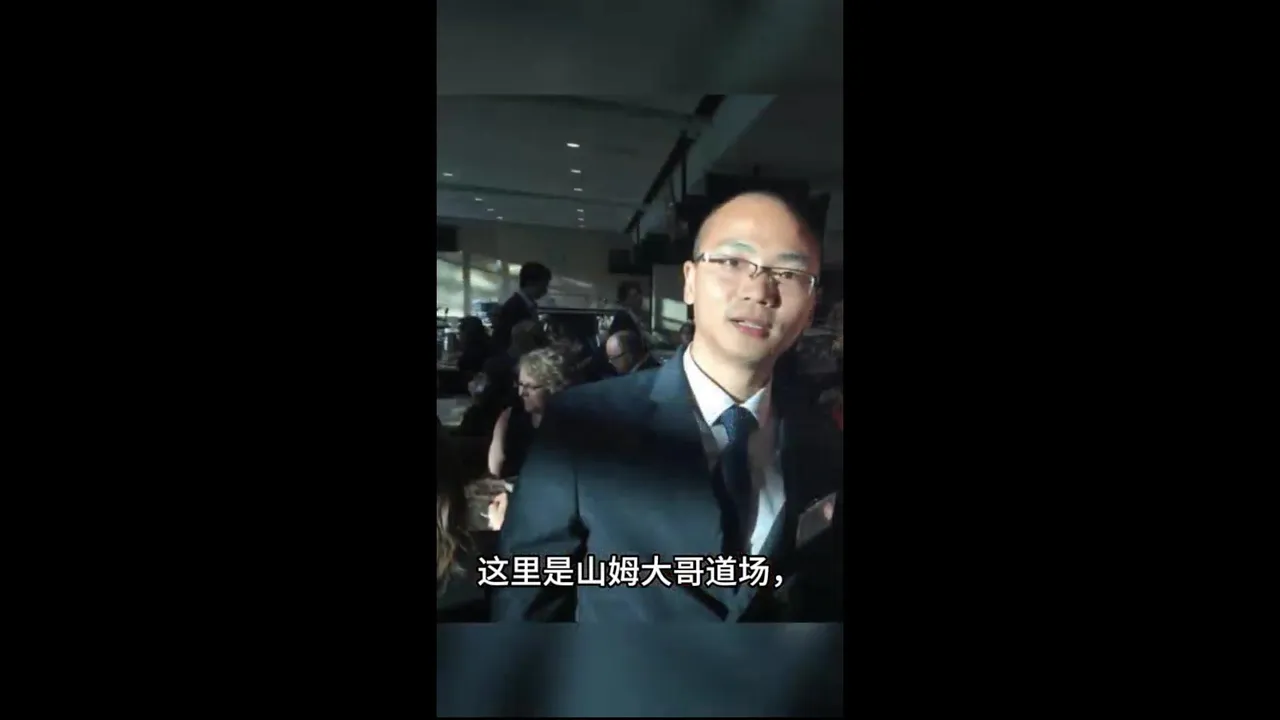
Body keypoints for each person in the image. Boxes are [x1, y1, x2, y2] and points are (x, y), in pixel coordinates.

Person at [494, 191, 843, 622]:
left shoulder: (822, 440)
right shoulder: (584, 422)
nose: (759, 290)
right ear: (690, 281)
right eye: (733, 261)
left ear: (811, 306)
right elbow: (526, 598)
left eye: (788, 272)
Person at [487, 347, 572, 479]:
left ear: (552, 388)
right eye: (521, 385)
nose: (522, 393)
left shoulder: (569, 423)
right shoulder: (508, 417)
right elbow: (495, 467)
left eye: (530, 387)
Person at [490, 263, 552, 357]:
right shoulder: (514, 307)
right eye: (543, 285)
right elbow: (503, 341)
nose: (545, 290)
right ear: (530, 282)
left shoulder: (526, 304)